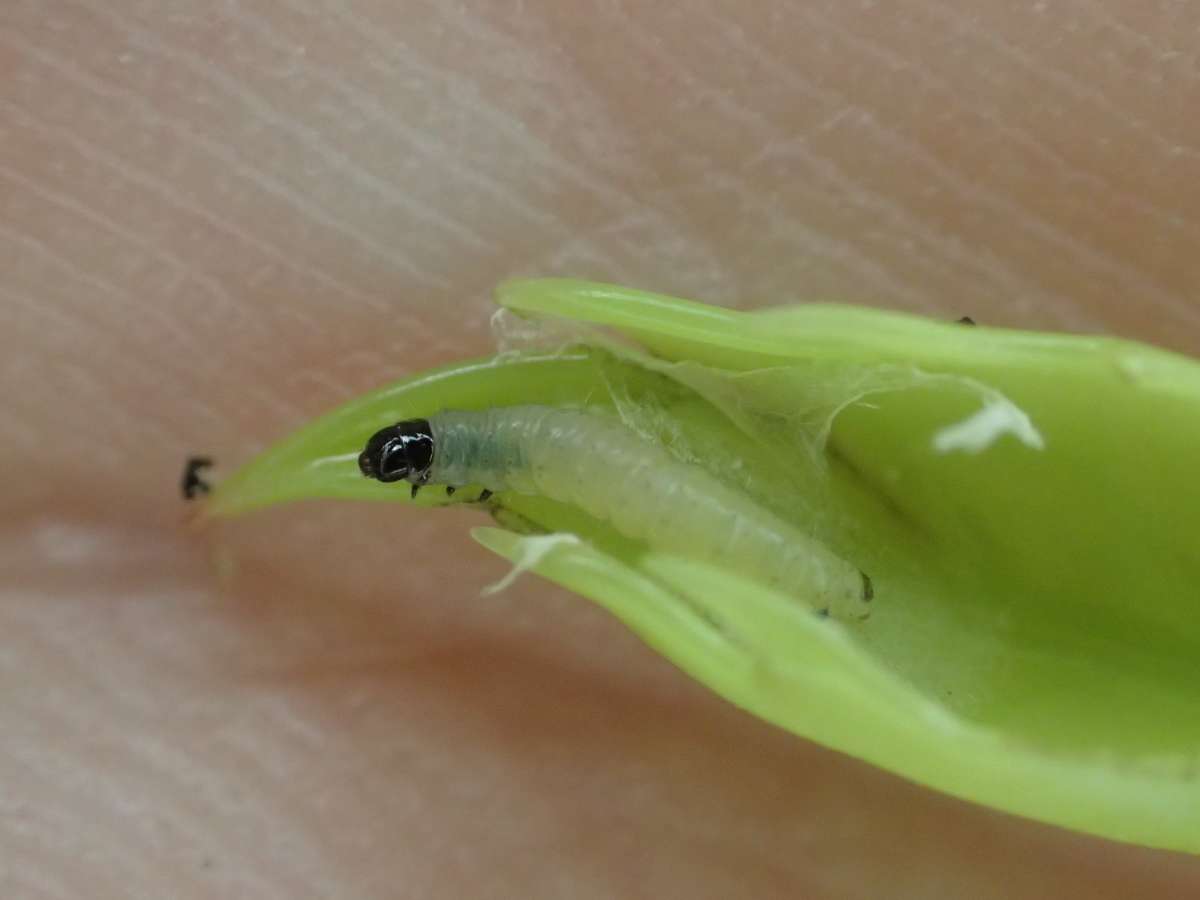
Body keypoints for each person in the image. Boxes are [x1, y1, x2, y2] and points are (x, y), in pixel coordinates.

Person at [5, 2, 1198, 895]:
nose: (434, 470)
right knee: (623, 478)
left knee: (653, 495)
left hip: (796, 562)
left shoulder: (522, 443)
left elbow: (562, 458)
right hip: (720, 520)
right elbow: (567, 458)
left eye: (421, 463)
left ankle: (829, 589)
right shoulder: (529, 445)